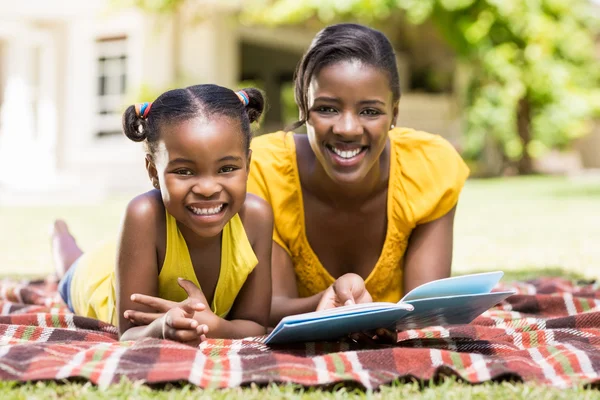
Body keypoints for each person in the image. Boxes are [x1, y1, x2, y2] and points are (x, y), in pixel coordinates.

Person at [246, 23, 470, 327]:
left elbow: (425, 312)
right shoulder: (263, 170)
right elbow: (267, 308)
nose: (348, 129)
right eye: (326, 109)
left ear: (395, 114)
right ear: (303, 107)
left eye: (370, 112)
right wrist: (328, 302)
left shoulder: (429, 166)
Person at [52, 84, 273, 345]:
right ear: (153, 172)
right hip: (91, 278)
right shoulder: (143, 215)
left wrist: (215, 326)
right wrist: (161, 327)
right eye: (184, 172)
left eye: (226, 168)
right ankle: (58, 233)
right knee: (70, 263)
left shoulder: (257, 217)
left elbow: (256, 324)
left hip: (132, 252)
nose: (207, 188)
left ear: (247, 165)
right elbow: (129, 333)